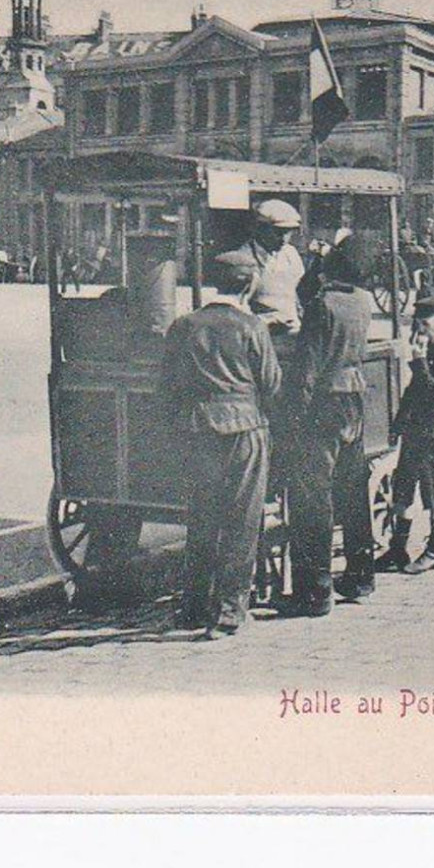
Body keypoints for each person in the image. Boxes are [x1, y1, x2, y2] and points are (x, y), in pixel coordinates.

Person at [158, 249, 283, 636]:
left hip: (198, 430)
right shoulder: (252, 327)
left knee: (202, 519)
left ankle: (194, 606)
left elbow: (167, 386)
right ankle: (230, 611)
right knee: (242, 520)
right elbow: (272, 385)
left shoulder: (184, 325)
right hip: (245, 431)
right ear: (248, 285)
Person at [281, 233, 377, 617]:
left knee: (312, 496)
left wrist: (293, 416)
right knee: (352, 489)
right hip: (353, 398)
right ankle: (360, 574)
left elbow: (306, 367)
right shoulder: (362, 301)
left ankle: (315, 591)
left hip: (323, 403)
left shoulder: (324, 306)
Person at [376, 289, 434, 575]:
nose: (421, 332)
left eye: (426, 326)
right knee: (402, 490)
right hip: (414, 431)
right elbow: (412, 393)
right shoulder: (432, 352)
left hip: (433, 433)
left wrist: (418, 362)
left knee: (432, 492)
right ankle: (398, 549)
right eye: (418, 326)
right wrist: (398, 425)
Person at [246, 199, 306, 333]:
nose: (284, 239)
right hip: (260, 334)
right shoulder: (245, 257)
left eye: (288, 232)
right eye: (278, 232)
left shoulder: (291, 254)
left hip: (292, 332)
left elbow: (299, 294)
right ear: (260, 228)